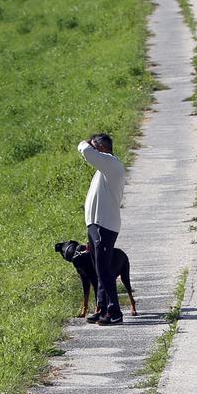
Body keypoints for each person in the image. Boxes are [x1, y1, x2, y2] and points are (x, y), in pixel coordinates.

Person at [78, 135, 125, 324]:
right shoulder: (104, 169)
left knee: (104, 269)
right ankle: (102, 307)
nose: (93, 151)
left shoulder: (111, 164)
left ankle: (115, 312)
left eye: (96, 148)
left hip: (105, 225)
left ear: (103, 149)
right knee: (99, 269)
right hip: (97, 225)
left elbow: (86, 151)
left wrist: (86, 144)